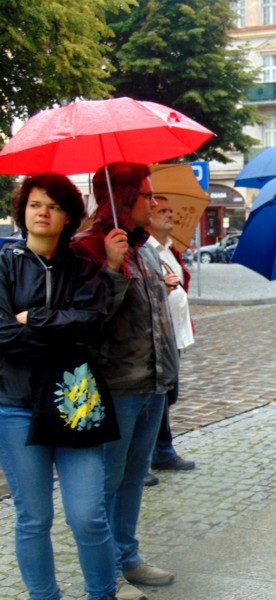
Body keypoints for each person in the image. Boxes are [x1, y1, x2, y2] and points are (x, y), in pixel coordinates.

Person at [0, 173, 119, 600]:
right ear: (23, 212)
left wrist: (32, 318)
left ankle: (102, 592)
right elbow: (0, 333)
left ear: (68, 215)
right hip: (15, 403)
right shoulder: (4, 265)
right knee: (33, 517)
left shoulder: (85, 268)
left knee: (88, 515)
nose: (42, 212)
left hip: (75, 402)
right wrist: (63, 335)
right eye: (34, 204)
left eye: (52, 205)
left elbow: (93, 322)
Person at [72, 163, 179, 600]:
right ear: (121, 198)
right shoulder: (87, 248)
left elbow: (155, 312)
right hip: (115, 386)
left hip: (152, 382)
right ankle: (106, 572)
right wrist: (112, 270)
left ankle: (128, 554)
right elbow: (87, 319)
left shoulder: (145, 248)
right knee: (106, 483)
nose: (153, 203)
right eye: (146, 195)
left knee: (135, 477)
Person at [145, 195, 196, 479]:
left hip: (174, 334)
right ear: (147, 217)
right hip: (156, 336)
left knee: (168, 395)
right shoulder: (143, 249)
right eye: (162, 210)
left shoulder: (169, 249)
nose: (170, 215)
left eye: (171, 211)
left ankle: (162, 451)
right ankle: (151, 454)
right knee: (158, 396)